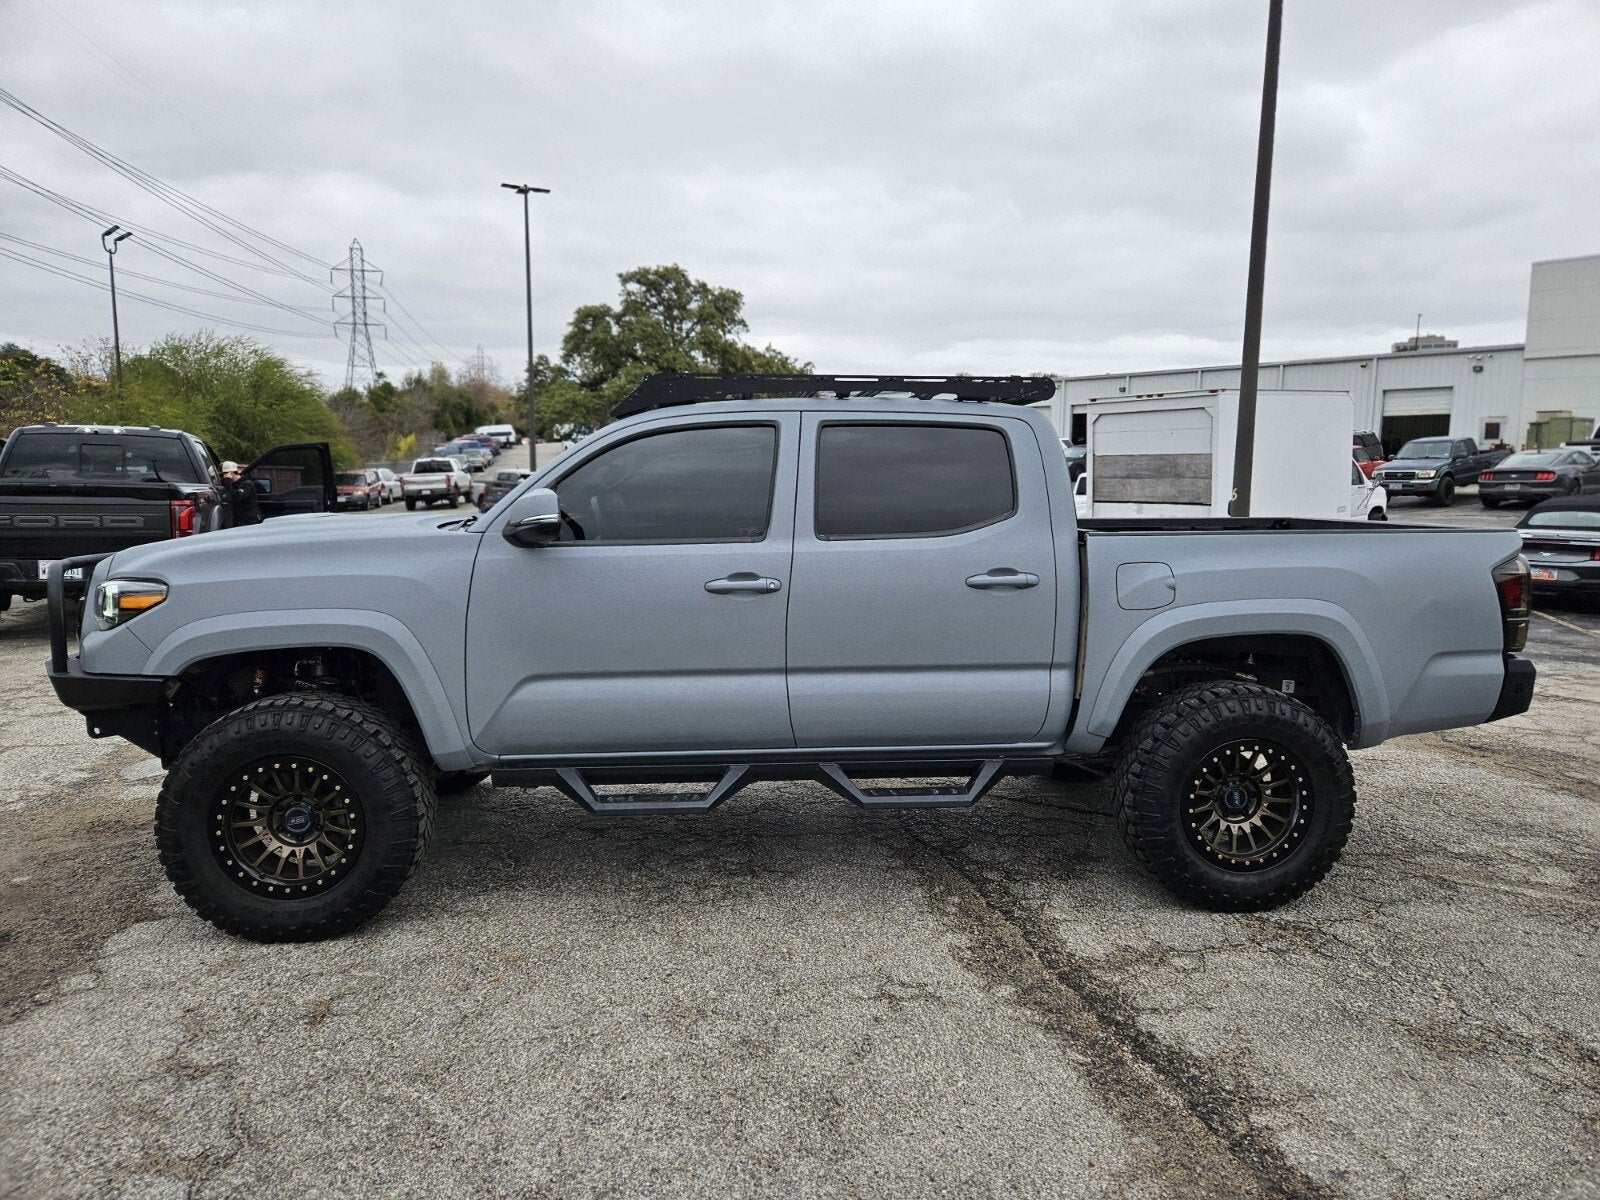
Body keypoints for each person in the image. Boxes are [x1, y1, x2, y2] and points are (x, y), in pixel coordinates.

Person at [219, 461, 261, 527]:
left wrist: (228, 483)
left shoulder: (247, 484)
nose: (223, 477)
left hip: (249, 522)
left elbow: (235, 498)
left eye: (223, 474)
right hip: (237, 521)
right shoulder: (230, 485)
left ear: (229, 473)